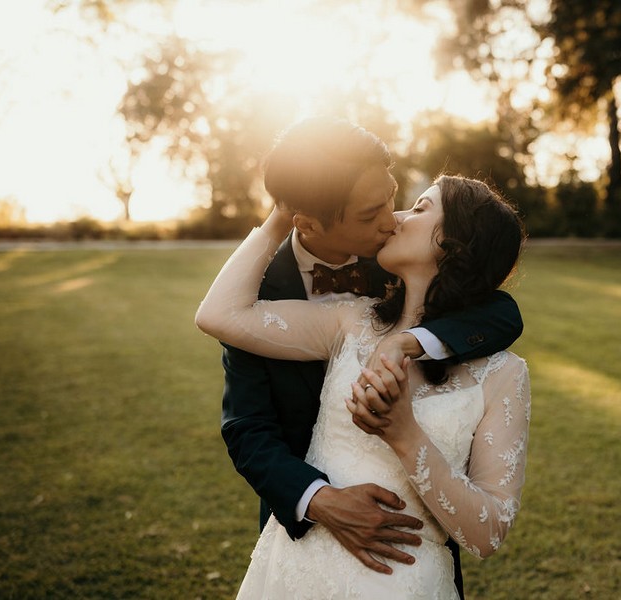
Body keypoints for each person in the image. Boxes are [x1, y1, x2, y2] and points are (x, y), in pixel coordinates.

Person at [213, 118, 524, 595]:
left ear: (450, 245)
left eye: (404, 200)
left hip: (409, 576)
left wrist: (411, 344)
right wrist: (318, 500)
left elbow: (502, 310)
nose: (391, 218)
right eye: (370, 213)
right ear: (309, 222)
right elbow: (246, 423)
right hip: (302, 555)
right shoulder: (342, 317)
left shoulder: (397, 268)